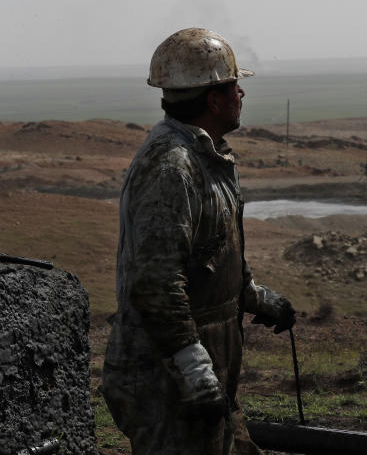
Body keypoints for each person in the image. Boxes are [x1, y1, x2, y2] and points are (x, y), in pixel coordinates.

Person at [102, 28, 297, 454]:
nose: (242, 94)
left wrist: (255, 298)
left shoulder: (207, 156)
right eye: (234, 86)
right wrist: (193, 370)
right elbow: (155, 283)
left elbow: (207, 254)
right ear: (213, 99)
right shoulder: (172, 167)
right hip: (165, 376)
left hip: (205, 362)